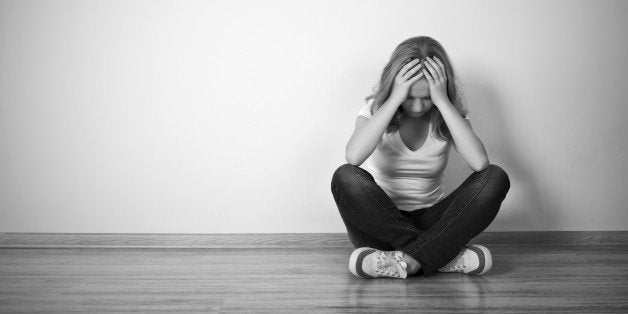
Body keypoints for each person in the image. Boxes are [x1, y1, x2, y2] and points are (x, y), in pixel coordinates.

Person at [330, 36, 511, 279]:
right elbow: (353, 157)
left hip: (433, 223)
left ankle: (402, 260)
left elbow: (480, 164)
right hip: (378, 227)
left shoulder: (448, 115)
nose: (417, 107)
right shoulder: (374, 112)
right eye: (409, 97)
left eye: (426, 98)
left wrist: (442, 101)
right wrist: (394, 98)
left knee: (495, 178)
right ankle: (437, 256)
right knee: (345, 176)